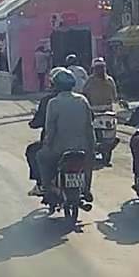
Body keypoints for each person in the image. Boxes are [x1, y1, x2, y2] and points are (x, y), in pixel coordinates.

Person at [38, 68, 96, 199]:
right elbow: (89, 126)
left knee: (41, 156)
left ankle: (48, 187)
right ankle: (87, 189)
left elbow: (50, 129)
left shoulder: (53, 103)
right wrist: (92, 147)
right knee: (88, 162)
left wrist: (47, 145)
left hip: (60, 149)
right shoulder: (82, 100)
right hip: (82, 147)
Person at [26, 67, 66, 196]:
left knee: (33, 151)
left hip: (54, 146)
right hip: (79, 146)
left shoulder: (48, 101)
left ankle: (41, 184)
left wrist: (33, 121)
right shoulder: (81, 100)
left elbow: (37, 122)